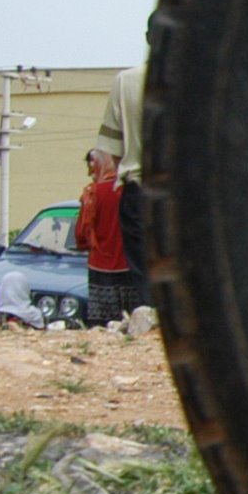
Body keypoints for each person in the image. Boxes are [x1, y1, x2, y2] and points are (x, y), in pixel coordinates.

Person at [92, 63, 147, 309]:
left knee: (144, 264)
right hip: (185, 191)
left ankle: (151, 318)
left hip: (139, 186)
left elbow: (112, 150)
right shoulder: (197, 76)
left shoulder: (125, 81)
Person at [76, 149, 139, 327]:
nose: (91, 173)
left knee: (102, 325)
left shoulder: (93, 193)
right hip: (130, 264)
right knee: (132, 321)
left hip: (100, 266)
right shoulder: (132, 190)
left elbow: (81, 234)